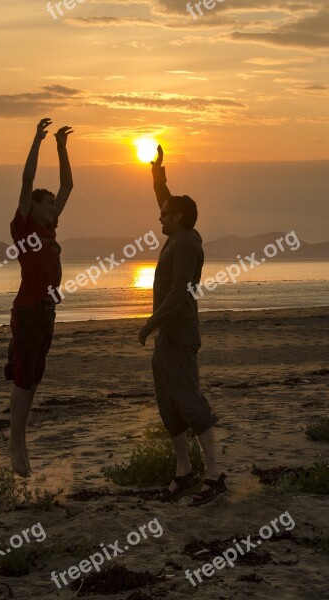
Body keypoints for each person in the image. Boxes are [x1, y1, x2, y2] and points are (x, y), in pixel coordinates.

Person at [138, 145, 226, 505]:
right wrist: (158, 175)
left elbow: (179, 294)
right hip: (166, 338)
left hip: (179, 335)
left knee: (190, 401)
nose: (159, 218)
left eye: (164, 215)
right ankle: (184, 472)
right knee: (168, 406)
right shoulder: (177, 235)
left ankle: (215, 474)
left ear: (178, 218)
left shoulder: (187, 244)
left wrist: (150, 323)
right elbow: (166, 200)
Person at [5, 118, 73, 477]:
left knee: (34, 379)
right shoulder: (25, 225)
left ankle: (22, 440)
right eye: (48, 205)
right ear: (34, 207)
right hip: (29, 312)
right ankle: (15, 444)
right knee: (22, 377)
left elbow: (68, 184)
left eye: (53, 205)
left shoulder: (48, 228)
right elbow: (27, 181)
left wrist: (62, 148)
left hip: (46, 313)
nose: (53, 208)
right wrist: (37, 140)